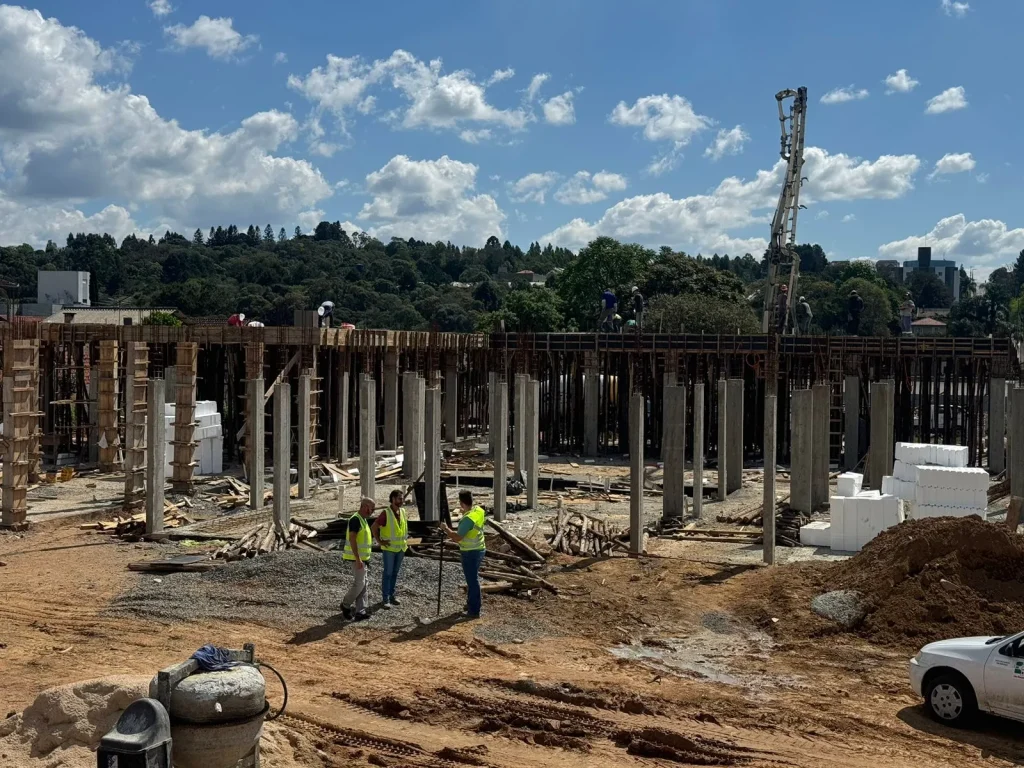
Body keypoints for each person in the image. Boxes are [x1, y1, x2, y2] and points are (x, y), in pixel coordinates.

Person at [443, 490, 487, 619]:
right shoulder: (478, 511)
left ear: (461, 503)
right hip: (479, 548)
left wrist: (446, 529)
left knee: (472, 581)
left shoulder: (467, 519)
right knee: (472, 579)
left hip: (470, 552)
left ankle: (474, 610)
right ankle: (471, 604)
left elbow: (457, 537)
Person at [341, 497, 376, 621]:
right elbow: (352, 539)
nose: (373, 511)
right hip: (356, 558)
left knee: (364, 584)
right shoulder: (356, 519)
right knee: (359, 584)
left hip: (362, 558)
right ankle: (345, 604)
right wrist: (358, 559)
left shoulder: (363, 520)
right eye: (372, 509)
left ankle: (360, 611)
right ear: (365, 507)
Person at [371, 489, 408, 608]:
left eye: (402, 498)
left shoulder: (402, 512)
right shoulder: (386, 513)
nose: (402, 501)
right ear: (393, 499)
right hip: (389, 549)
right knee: (388, 573)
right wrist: (379, 541)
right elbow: (374, 527)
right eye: (399, 498)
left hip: (401, 548)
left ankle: (392, 595)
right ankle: (385, 598)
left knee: (395, 573)